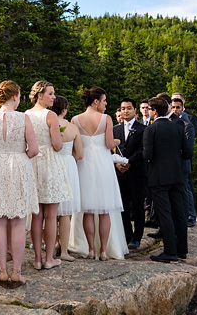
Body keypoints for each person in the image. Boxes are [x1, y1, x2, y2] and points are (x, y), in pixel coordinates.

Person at [0, 80, 39, 289]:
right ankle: (16, 272)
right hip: (18, 166)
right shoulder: (23, 118)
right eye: (19, 95)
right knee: (18, 221)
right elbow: (34, 149)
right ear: (14, 96)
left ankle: (2, 271)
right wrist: (19, 156)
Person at [71, 87, 127, 260]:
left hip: (84, 164)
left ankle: (90, 249)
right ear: (95, 102)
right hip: (102, 165)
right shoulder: (106, 119)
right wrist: (118, 141)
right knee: (104, 211)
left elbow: (75, 146)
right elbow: (110, 143)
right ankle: (103, 250)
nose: (106, 103)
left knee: (87, 210)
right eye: (104, 100)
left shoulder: (75, 119)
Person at [25, 81, 70, 270]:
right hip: (49, 163)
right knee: (51, 216)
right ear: (40, 95)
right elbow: (58, 145)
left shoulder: (26, 114)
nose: (53, 97)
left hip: (32, 163)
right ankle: (49, 258)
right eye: (50, 94)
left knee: (37, 215)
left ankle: (37, 259)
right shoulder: (50, 115)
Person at [143, 96, 192, 263]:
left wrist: (149, 157)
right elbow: (187, 153)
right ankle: (182, 250)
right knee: (179, 213)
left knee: (165, 214)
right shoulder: (177, 127)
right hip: (177, 176)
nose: (147, 112)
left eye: (149, 109)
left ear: (155, 111)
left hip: (159, 177)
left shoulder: (151, 129)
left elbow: (147, 155)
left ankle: (170, 251)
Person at [50, 95, 82, 262]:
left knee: (50, 211)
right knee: (65, 214)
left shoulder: (47, 125)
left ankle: (52, 244)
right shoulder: (73, 127)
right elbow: (80, 154)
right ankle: (63, 251)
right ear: (64, 109)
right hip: (68, 165)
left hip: (51, 164)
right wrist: (69, 156)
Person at [113, 98, 147, 249]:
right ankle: (126, 236)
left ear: (135, 110)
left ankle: (137, 237)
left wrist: (129, 162)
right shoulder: (115, 129)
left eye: (128, 108)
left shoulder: (143, 129)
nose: (125, 111)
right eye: (122, 108)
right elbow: (110, 149)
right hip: (119, 173)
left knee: (138, 205)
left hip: (136, 172)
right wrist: (116, 163)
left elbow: (143, 149)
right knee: (123, 205)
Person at [172, 92, 197, 227]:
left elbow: (188, 146)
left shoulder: (188, 123)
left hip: (183, 162)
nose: (175, 110)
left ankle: (191, 216)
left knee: (186, 189)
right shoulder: (170, 122)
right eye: (173, 107)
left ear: (183, 107)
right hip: (172, 163)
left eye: (177, 107)